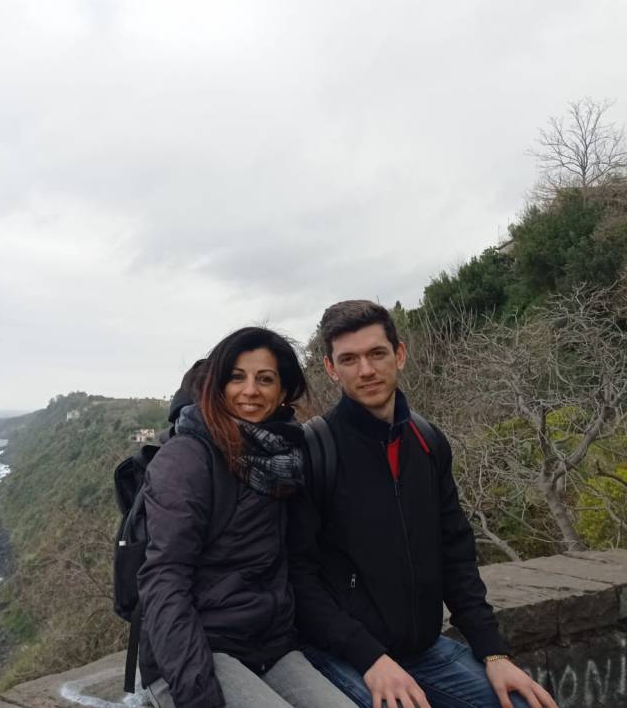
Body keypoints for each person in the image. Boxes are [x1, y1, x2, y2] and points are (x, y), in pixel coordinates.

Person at [288, 300, 558, 708]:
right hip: (345, 654)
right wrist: (369, 656)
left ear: (399, 354)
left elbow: (456, 555)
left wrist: (494, 653)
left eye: (377, 353)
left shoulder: (427, 441)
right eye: (349, 359)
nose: (366, 370)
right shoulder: (314, 449)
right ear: (331, 368)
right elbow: (298, 577)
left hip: (422, 652)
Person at [137, 326, 355, 708]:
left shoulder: (284, 458)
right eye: (237, 377)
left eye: (265, 379)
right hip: (197, 651)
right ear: (217, 386)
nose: (250, 390)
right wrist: (199, 695)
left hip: (270, 647)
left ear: (282, 391)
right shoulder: (188, 458)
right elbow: (164, 579)